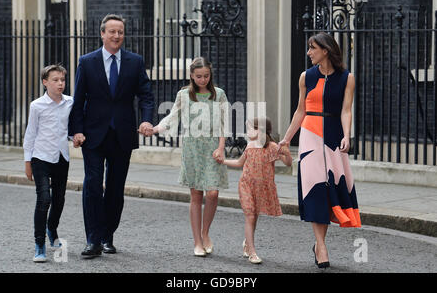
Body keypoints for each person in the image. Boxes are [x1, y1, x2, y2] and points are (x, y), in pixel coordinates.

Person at [69, 14, 155, 258]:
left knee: (116, 189)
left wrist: (147, 119)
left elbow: (146, 95)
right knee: (93, 185)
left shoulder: (134, 61)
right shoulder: (87, 62)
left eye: (120, 32)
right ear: (102, 34)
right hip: (93, 135)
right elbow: (79, 100)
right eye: (112, 32)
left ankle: (108, 236)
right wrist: (76, 130)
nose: (117, 36)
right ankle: (93, 240)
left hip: (122, 135)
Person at [279, 32, 361, 269]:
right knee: (315, 188)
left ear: (325, 50)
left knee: (330, 189)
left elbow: (346, 110)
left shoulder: (347, 78)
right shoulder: (306, 76)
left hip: (334, 136)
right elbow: (300, 111)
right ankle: (321, 245)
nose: (308, 53)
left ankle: (319, 243)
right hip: (310, 137)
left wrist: (347, 135)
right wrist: (286, 139)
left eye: (312, 48)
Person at [152, 57, 229, 257]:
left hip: (213, 148)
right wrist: (157, 128)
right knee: (196, 195)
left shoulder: (219, 94)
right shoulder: (184, 95)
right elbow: (173, 116)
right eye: (198, 76)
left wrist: (221, 148)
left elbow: (224, 124)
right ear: (191, 76)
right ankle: (197, 241)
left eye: (206, 76)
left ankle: (205, 233)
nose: (203, 80)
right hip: (192, 148)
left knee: (212, 193)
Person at [217, 118, 292, 264]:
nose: (247, 132)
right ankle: (252, 252)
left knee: (254, 216)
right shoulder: (249, 146)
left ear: (261, 130)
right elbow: (239, 163)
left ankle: (247, 243)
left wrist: (287, 153)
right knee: (250, 216)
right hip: (246, 185)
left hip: (261, 187)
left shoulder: (272, 146)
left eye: (251, 129)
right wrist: (223, 161)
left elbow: (288, 163)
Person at [23, 65, 73, 263]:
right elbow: (31, 134)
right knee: (44, 199)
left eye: (62, 79)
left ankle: (51, 228)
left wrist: (75, 136)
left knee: (59, 199)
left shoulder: (70, 102)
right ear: (45, 82)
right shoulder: (37, 105)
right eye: (55, 80)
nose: (60, 83)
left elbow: (70, 128)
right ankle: (39, 244)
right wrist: (28, 161)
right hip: (40, 157)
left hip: (61, 157)